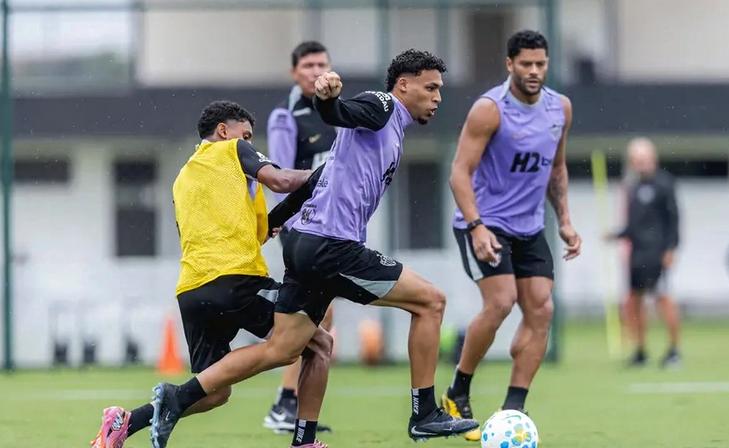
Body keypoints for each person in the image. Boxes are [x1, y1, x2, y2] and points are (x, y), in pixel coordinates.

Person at [145, 49, 479, 446]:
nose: (437, 97)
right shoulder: (384, 105)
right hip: (330, 245)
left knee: (291, 348)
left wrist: (273, 221)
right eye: (430, 87)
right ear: (404, 85)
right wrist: (328, 98)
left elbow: (317, 181)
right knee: (431, 302)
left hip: (305, 243)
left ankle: (182, 399)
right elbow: (339, 113)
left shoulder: (382, 134)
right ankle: (425, 412)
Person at [89, 101, 333, 448]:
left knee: (215, 391)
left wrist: (303, 195)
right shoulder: (233, 150)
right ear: (224, 131)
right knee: (318, 343)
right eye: (246, 134)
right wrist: (328, 172)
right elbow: (280, 180)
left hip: (192, 290)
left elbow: (260, 231)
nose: (251, 143)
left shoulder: (184, 178)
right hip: (236, 280)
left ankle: (124, 423)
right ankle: (304, 441)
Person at [442, 30, 582, 441]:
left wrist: (567, 221)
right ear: (510, 65)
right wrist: (477, 226)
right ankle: (458, 391)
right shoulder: (490, 110)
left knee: (542, 311)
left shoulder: (561, 108)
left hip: (530, 227)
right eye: (526, 64)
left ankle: (512, 410)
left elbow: (556, 169)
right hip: (484, 222)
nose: (534, 71)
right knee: (501, 302)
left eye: (541, 64)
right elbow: (459, 173)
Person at [264, 40, 336, 435]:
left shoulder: (337, 112)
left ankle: (286, 403)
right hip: (302, 228)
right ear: (295, 72)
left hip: (333, 228)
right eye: (308, 64)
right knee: (312, 316)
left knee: (320, 315)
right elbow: (279, 176)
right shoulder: (286, 116)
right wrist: (289, 224)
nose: (315, 70)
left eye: (322, 63)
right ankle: (286, 403)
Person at [607, 137, 681, 368]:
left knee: (663, 299)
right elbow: (634, 225)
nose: (640, 164)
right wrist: (617, 235)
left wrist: (671, 249)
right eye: (635, 160)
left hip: (657, 254)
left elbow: (674, 219)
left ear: (653, 159)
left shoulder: (664, 183)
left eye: (644, 159)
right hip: (636, 255)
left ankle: (674, 350)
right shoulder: (632, 186)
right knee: (634, 302)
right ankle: (640, 351)